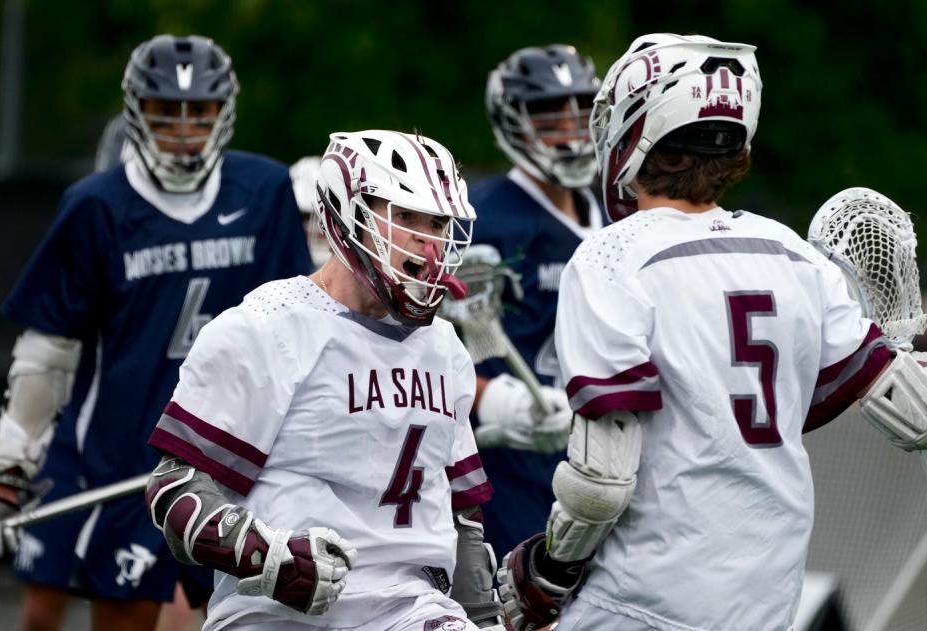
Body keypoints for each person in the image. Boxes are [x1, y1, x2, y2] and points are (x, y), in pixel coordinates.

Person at [498, 33, 927, 631]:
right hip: (768, 601)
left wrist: (550, 568)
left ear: (635, 125)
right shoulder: (792, 253)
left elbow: (602, 481)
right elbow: (916, 414)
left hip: (640, 601)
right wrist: (905, 338)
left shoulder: (611, 258)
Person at [0, 34, 313, 631]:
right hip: (129, 462)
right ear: (136, 111)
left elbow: (303, 324)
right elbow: (46, 355)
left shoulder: (263, 190)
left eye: (198, 112)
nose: (183, 129)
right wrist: (8, 476)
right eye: (166, 112)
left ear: (222, 111)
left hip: (239, 456)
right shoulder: (97, 204)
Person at [143, 130, 512, 630]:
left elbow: (461, 515)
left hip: (411, 608)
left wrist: (484, 618)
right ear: (348, 214)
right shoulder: (266, 325)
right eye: (404, 217)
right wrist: (268, 558)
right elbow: (177, 490)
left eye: (439, 222)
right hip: (280, 613)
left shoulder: (445, 347)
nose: (429, 241)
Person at [469, 44, 606, 559]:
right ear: (512, 121)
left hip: (609, 456)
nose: (570, 131)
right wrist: (493, 397)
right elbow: (422, 348)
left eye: (580, 112)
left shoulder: (617, 213)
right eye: (550, 116)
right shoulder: (480, 218)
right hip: (516, 458)